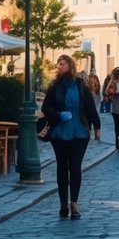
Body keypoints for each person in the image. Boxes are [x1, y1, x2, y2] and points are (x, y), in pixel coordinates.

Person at [41, 54, 100, 219]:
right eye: (58, 64)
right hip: (59, 132)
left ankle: (74, 203)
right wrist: (58, 115)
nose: (59, 66)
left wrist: (97, 127)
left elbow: (90, 107)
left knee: (75, 167)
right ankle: (63, 204)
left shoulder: (80, 85)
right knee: (61, 167)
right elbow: (45, 107)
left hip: (79, 132)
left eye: (63, 64)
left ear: (70, 66)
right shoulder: (54, 86)